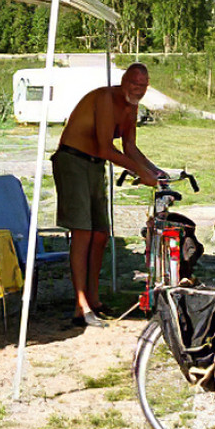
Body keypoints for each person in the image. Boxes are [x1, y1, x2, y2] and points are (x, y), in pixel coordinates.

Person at [52, 62, 163, 328]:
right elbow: (105, 147)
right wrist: (140, 172)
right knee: (83, 232)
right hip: (73, 160)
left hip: (93, 165)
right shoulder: (105, 97)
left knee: (100, 234)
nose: (139, 89)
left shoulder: (131, 105)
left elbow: (130, 146)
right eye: (135, 84)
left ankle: (94, 299)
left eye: (144, 86)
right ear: (124, 81)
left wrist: (155, 171)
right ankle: (81, 305)